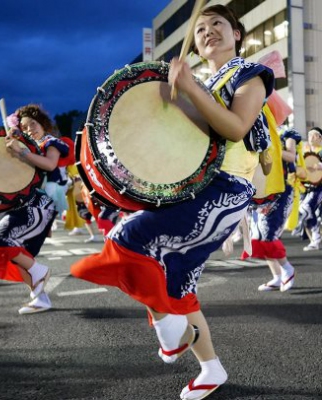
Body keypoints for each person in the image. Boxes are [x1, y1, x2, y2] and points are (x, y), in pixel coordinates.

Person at [71, 5, 273, 399]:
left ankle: (172, 333)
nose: (208, 31)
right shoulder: (201, 80)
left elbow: (234, 128)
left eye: (218, 24)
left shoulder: (250, 75)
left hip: (224, 189)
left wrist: (192, 89)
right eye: (200, 29)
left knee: (128, 239)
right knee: (177, 285)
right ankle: (210, 368)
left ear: (237, 34)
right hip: (192, 188)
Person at [0, 104, 59, 314]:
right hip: (27, 203)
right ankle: (39, 297)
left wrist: (22, 152)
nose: (30, 129)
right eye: (24, 128)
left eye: (33, 124)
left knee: (1, 241)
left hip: (41, 203)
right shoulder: (29, 147)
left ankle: (39, 272)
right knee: (0, 249)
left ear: (43, 124)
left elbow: (50, 165)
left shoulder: (51, 143)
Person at [244, 128, 300, 292]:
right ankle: (276, 276)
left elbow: (291, 156)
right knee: (258, 237)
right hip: (260, 190)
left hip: (280, 191)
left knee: (268, 235)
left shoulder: (286, 134)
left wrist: (271, 147)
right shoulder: (255, 130)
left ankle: (287, 268)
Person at [293, 127, 322, 250]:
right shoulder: (303, 152)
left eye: (314, 135)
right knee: (303, 212)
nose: (310, 137)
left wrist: (321, 165)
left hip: (320, 186)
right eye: (309, 135)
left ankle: (316, 236)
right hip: (304, 187)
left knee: (305, 208)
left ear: (320, 138)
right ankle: (314, 241)